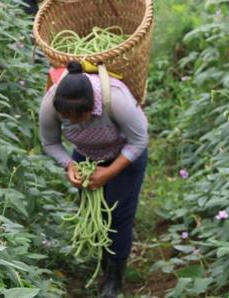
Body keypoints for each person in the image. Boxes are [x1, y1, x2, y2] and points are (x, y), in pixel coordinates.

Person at [39, 61, 149, 297]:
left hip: (124, 155)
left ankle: (114, 277)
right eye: (67, 118)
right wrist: (70, 165)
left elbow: (139, 141)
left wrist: (109, 172)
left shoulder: (115, 99)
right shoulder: (51, 103)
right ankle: (104, 260)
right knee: (97, 213)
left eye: (81, 117)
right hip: (85, 158)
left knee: (118, 214)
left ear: (93, 106)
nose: (75, 122)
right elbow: (50, 142)